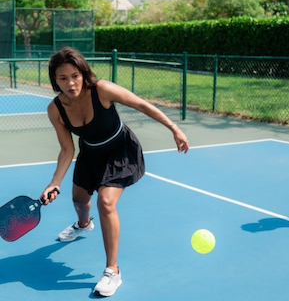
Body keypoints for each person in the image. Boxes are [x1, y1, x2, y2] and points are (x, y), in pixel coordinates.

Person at [40, 46, 189, 296]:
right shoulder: (55, 109)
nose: (70, 83)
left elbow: (142, 105)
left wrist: (174, 128)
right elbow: (67, 149)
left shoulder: (102, 90)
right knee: (79, 200)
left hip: (120, 150)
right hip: (90, 154)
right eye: (63, 78)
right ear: (55, 80)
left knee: (106, 202)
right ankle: (83, 224)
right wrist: (54, 182)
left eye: (75, 75)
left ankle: (113, 271)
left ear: (83, 73)